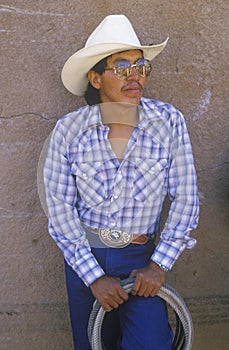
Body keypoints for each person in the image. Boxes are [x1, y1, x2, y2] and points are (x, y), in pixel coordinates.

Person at [43, 15, 199, 350]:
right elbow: (60, 211)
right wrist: (94, 277)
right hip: (87, 257)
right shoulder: (69, 131)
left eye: (141, 66)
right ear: (96, 78)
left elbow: (186, 197)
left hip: (142, 257)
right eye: (123, 67)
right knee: (93, 343)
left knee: (151, 342)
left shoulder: (168, 121)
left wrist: (158, 265)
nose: (136, 76)